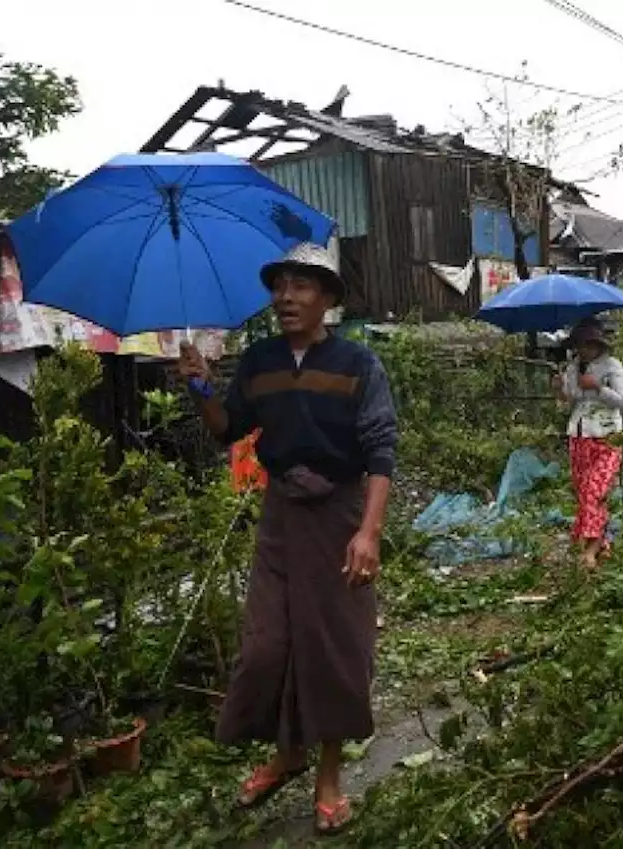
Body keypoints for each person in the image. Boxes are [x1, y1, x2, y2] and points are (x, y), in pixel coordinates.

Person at [177, 240, 397, 835]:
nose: (285, 297)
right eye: (280, 286)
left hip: (341, 513)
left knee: (333, 649)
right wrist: (201, 388)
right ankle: (287, 753)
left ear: (327, 298)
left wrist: (369, 534)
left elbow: (381, 451)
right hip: (281, 515)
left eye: (302, 286)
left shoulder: (358, 365)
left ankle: (326, 777)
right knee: (268, 644)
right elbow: (228, 430)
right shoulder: (260, 362)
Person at [553, 319, 623, 569]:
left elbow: (622, 401)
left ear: (596, 344)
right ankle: (602, 544)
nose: (581, 351)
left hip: (607, 436)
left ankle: (590, 550)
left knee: (595, 492)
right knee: (583, 492)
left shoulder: (612, 366)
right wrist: (560, 390)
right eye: (578, 346)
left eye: (585, 345)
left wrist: (597, 387)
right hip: (579, 436)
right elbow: (573, 400)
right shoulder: (574, 367)